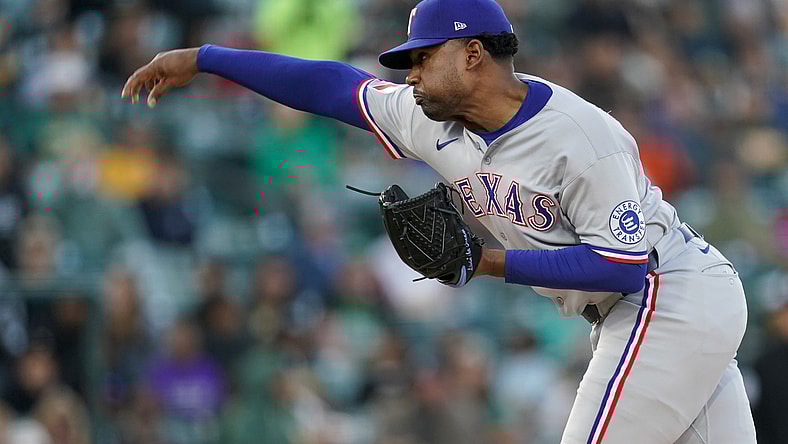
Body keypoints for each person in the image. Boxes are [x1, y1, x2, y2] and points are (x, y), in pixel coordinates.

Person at [120, 0, 757, 442]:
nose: (412, 74)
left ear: (473, 53)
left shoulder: (583, 137)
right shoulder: (429, 117)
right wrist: (205, 58)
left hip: (666, 296)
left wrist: (488, 263)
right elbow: (330, 87)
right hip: (650, 310)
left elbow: (621, 267)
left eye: (425, 58)